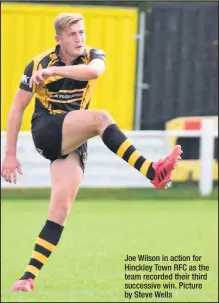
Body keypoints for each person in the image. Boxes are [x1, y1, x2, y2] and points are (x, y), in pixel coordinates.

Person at [1, 13, 182, 292]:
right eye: (73, 34)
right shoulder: (38, 63)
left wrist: (54, 73)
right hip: (47, 130)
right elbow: (16, 110)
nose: (80, 39)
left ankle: (26, 278)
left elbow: (95, 71)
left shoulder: (91, 55)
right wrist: (10, 154)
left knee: (59, 210)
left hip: (74, 135)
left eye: (82, 33)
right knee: (101, 119)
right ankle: (152, 171)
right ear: (58, 39)